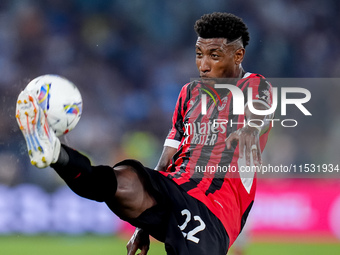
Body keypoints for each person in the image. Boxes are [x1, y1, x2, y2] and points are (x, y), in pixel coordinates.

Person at [15, 12, 273, 255]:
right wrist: (144, 223)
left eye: (214, 56)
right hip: (173, 188)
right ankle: (54, 151)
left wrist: (251, 128)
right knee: (117, 181)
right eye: (199, 54)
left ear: (238, 55)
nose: (203, 65)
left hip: (214, 211)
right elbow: (168, 156)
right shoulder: (189, 93)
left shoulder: (255, 85)